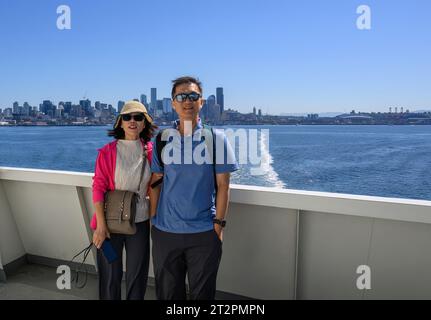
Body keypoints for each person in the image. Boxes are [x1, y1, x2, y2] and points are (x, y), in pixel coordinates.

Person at [149, 76, 238, 300]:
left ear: (201, 102)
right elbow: (156, 182)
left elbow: (223, 186)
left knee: (202, 296)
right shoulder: (161, 139)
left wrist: (218, 225)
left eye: (193, 96)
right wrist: (154, 221)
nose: (187, 101)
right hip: (166, 233)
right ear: (173, 103)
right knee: (168, 295)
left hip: (204, 234)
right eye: (181, 96)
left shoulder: (216, 139)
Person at [91, 101, 156, 300]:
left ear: (145, 123)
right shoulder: (108, 152)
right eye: (127, 117)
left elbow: (156, 186)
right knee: (110, 273)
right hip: (109, 226)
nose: (132, 121)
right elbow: (98, 187)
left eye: (138, 117)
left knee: (137, 275)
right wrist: (101, 226)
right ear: (120, 122)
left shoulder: (153, 152)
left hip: (140, 224)